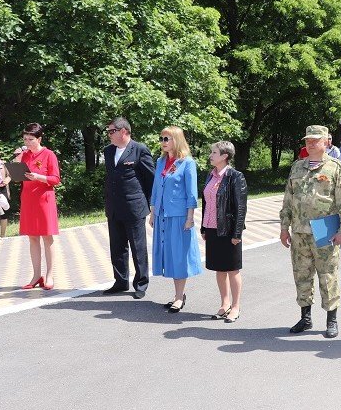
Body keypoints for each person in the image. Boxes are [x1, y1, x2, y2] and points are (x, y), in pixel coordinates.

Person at [280, 125, 341, 338]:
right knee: (301, 275)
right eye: (308, 140)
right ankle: (306, 318)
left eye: (315, 140)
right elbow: (288, 200)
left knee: (327, 275)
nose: (310, 143)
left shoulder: (336, 167)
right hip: (300, 232)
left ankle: (332, 320)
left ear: (326, 142)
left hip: (325, 230)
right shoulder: (296, 167)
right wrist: (284, 227)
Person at [150, 126, 203, 313]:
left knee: (179, 256)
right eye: (162, 138)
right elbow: (156, 187)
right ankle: (176, 294)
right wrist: (152, 210)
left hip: (179, 216)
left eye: (167, 138)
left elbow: (191, 193)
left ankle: (180, 297)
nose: (163, 142)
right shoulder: (160, 161)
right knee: (170, 256)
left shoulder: (187, 163)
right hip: (162, 215)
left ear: (177, 140)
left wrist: (190, 217)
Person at [102, 117, 156, 299]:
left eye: (112, 131)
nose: (109, 135)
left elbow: (150, 180)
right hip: (114, 208)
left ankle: (141, 283)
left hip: (134, 207)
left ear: (123, 131)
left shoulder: (139, 149)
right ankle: (120, 281)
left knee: (137, 247)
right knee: (117, 247)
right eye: (108, 132)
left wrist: (151, 205)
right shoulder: (108, 151)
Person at [201, 141, 248, 323]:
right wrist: (204, 227)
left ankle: (235, 307)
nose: (211, 155)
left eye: (214, 152)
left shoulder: (235, 176)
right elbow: (206, 203)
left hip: (228, 230)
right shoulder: (210, 176)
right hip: (212, 228)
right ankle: (224, 303)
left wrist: (237, 234)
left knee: (232, 269)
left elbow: (241, 207)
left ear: (225, 156)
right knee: (219, 269)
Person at [14, 123, 61, 290]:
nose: (27, 142)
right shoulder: (24, 155)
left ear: (39, 139)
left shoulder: (49, 155)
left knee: (47, 237)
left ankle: (50, 275)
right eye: (25, 139)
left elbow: (55, 179)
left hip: (44, 200)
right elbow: (17, 178)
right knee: (32, 237)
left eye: (31, 139)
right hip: (28, 199)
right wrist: (16, 163)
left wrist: (38, 177)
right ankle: (36, 275)